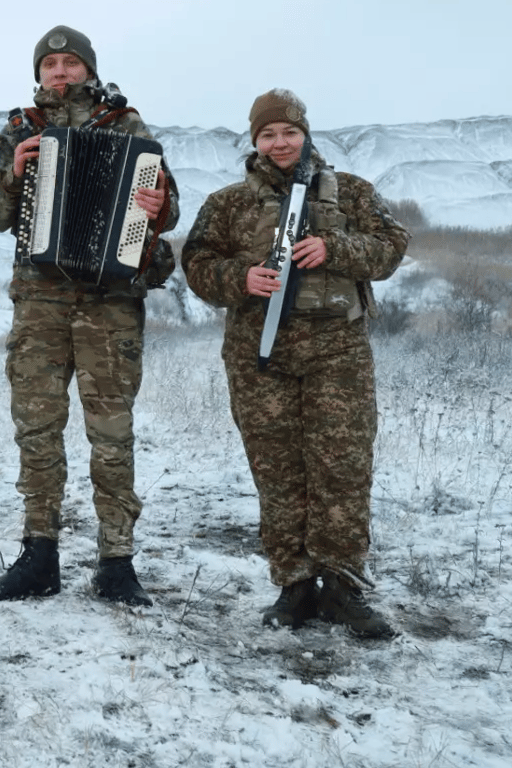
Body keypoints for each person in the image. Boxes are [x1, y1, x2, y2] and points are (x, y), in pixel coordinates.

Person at [180, 89, 409, 638]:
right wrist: (241, 277)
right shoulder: (227, 204)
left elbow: (392, 247)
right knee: (278, 472)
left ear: (305, 134)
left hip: (339, 354)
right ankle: (295, 585)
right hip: (259, 358)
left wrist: (335, 248)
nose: (279, 143)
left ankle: (344, 588)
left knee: (343, 468)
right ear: (255, 140)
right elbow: (196, 264)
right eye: (268, 134)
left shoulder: (351, 193)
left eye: (289, 132)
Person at [0, 25, 178, 606]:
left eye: (70, 63)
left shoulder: (129, 127)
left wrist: (159, 205)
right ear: (39, 73)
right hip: (39, 303)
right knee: (37, 433)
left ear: (88, 69)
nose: (60, 73)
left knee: (111, 434)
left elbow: (165, 206)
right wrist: (11, 174)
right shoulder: (19, 130)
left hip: (109, 306)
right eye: (50, 65)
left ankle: (116, 561)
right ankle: (39, 555)